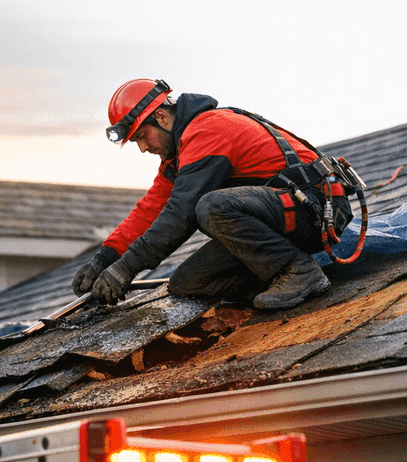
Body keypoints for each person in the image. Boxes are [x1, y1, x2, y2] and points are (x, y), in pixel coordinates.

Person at [73, 79, 354, 310]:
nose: (143, 148)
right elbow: (150, 211)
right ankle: (280, 280)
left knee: (210, 206)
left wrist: (126, 270)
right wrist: (105, 258)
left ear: (160, 116)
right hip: (284, 216)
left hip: (315, 210)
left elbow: (181, 213)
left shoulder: (208, 131)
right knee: (187, 283)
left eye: (142, 137)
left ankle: (300, 272)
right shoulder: (180, 157)